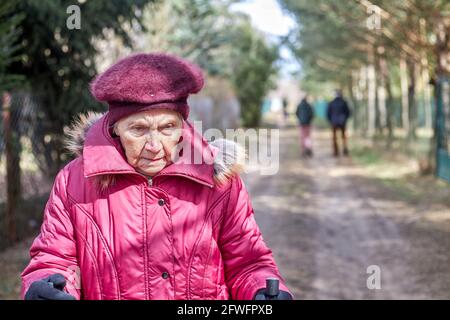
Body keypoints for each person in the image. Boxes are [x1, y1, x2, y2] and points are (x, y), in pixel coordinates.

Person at [20, 53, 293, 300]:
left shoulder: (218, 180)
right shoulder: (75, 180)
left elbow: (248, 261)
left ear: (183, 126)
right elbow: (55, 259)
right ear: (115, 130)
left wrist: (264, 290)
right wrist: (47, 287)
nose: (154, 145)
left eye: (167, 128)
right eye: (138, 129)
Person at [326, 89, 351, 156]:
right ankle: (345, 149)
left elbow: (328, 114)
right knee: (343, 136)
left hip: (334, 122)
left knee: (334, 137)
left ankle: (335, 151)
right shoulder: (344, 102)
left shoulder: (331, 103)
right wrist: (345, 119)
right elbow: (348, 112)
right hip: (342, 122)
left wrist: (331, 121)